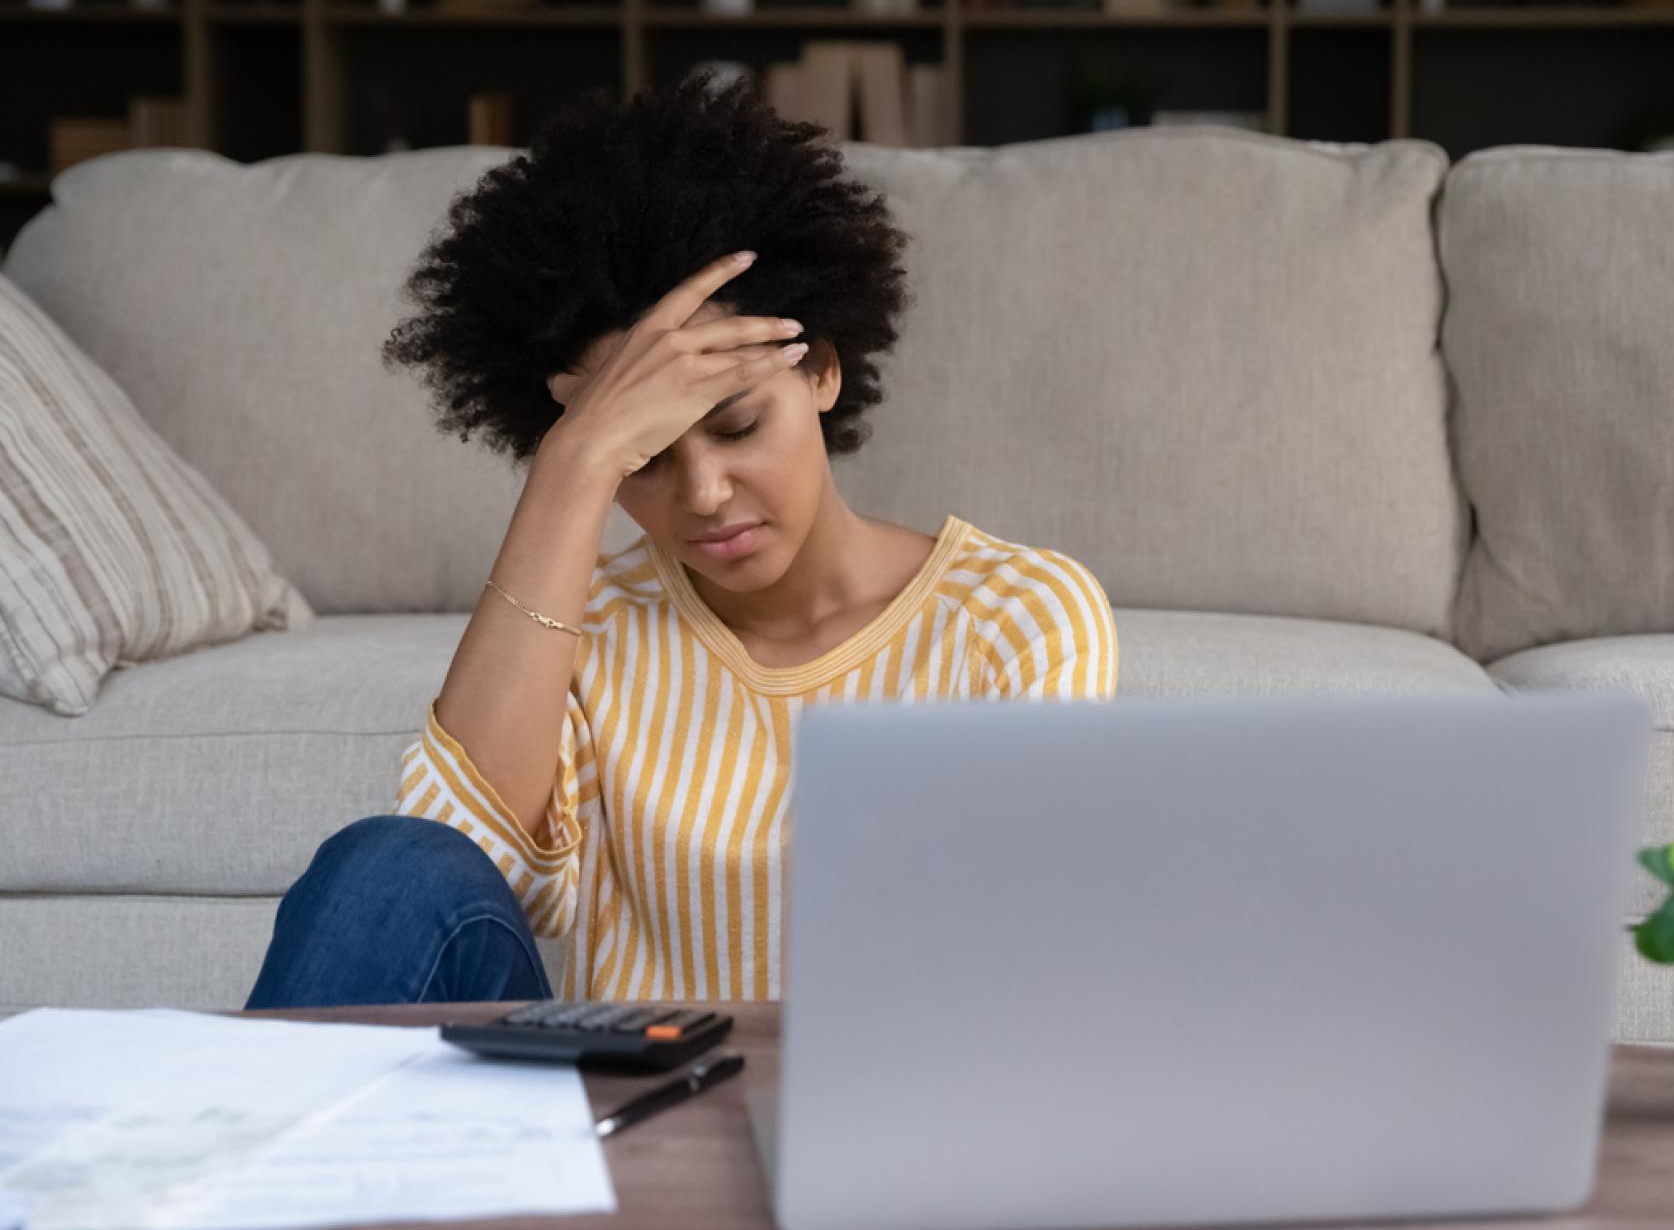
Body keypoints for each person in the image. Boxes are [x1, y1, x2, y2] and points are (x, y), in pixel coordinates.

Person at [244, 72, 1118, 1010]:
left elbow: (1029, 973)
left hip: (884, 1119)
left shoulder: (1017, 619)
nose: (703, 494)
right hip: (615, 1112)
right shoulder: (590, 630)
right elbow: (460, 863)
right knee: (388, 864)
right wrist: (572, 467)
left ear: (821, 370)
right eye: (643, 460)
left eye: (737, 426)